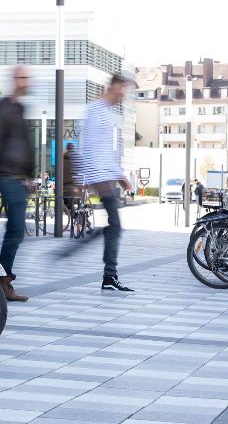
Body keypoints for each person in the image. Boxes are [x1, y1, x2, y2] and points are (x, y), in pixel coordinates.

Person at [78, 74, 134, 292]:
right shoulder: (97, 111)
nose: (123, 95)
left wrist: (120, 177)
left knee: (114, 225)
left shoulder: (107, 113)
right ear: (113, 87)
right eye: (122, 90)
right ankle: (109, 276)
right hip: (100, 177)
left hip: (104, 176)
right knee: (115, 225)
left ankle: (109, 275)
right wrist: (90, 178)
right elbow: (90, 147)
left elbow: (106, 153)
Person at [0, 65, 33, 302]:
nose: (28, 81)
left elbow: (23, 144)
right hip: (7, 176)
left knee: (16, 231)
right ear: (16, 79)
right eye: (25, 77)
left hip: (18, 179)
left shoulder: (21, 108)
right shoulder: (4, 106)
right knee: (15, 230)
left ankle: (2, 278)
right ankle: (2, 280)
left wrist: (29, 176)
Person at [62, 142, 81, 211]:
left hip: (63, 185)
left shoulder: (62, 160)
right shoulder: (76, 159)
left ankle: (70, 211)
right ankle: (78, 213)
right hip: (73, 185)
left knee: (64, 199)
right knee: (77, 198)